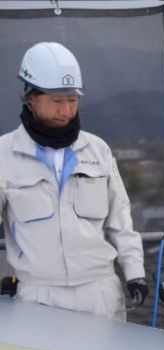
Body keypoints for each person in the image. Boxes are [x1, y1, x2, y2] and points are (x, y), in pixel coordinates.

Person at [0, 42, 146, 320]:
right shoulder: (4, 155)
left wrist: (135, 272)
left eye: (72, 100)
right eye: (56, 101)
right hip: (38, 298)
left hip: (100, 293)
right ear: (30, 98)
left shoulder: (97, 150)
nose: (66, 110)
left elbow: (121, 220)